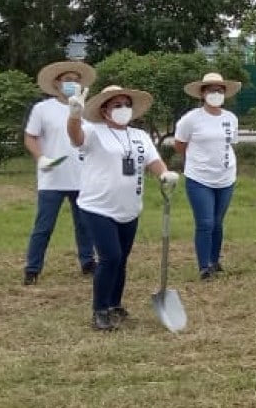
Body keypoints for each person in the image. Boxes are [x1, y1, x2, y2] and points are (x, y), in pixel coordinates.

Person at [64, 84, 179, 332]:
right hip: (97, 207)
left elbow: (153, 160)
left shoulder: (140, 136)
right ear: (105, 111)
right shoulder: (94, 131)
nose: (123, 109)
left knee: (121, 259)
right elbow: (76, 137)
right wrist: (74, 115)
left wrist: (164, 174)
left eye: (127, 105)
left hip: (129, 208)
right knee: (110, 257)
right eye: (117, 105)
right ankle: (100, 310)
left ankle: (115, 303)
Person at [22, 59, 98, 285]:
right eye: (67, 80)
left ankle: (87, 262)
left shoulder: (85, 108)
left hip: (82, 176)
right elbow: (30, 137)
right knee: (44, 226)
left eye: (76, 80)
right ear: (56, 84)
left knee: (85, 224)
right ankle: (32, 268)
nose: (72, 84)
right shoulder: (42, 109)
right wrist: (40, 157)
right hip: (52, 178)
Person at [174, 72, 242, 280]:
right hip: (199, 178)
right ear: (202, 94)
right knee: (205, 222)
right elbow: (180, 145)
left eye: (220, 90)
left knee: (217, 221)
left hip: (225, 176)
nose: (216, 94)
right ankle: (204, 266)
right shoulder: (191, 119)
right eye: (211, 90)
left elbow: (230, 143)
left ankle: (214, 260)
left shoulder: (230, 118)